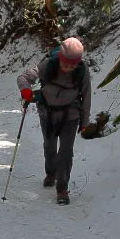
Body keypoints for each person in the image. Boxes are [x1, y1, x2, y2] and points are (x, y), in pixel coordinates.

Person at [16, 37, 92, 204]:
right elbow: (23, 77)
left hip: (71, 116)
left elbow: (86, 97)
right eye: (65, 64)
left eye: (72, 65)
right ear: (60, 59)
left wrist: (84, 122)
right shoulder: (48, 65)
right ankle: (51, 173)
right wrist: (26, 91)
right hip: (48, 114)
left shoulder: (82, 70)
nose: (68, 69)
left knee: (66, 151)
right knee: (49, 146)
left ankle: (62, 188)